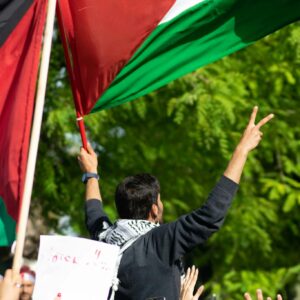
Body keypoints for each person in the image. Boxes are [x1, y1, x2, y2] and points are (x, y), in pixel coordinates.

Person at [78, 107, 273, 300]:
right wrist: (242, 150)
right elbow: (209, 216)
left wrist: (91, 173)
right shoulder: (156, 243)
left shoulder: (105, 240)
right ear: (154, 209)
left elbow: (94, 212)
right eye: (160, 199)